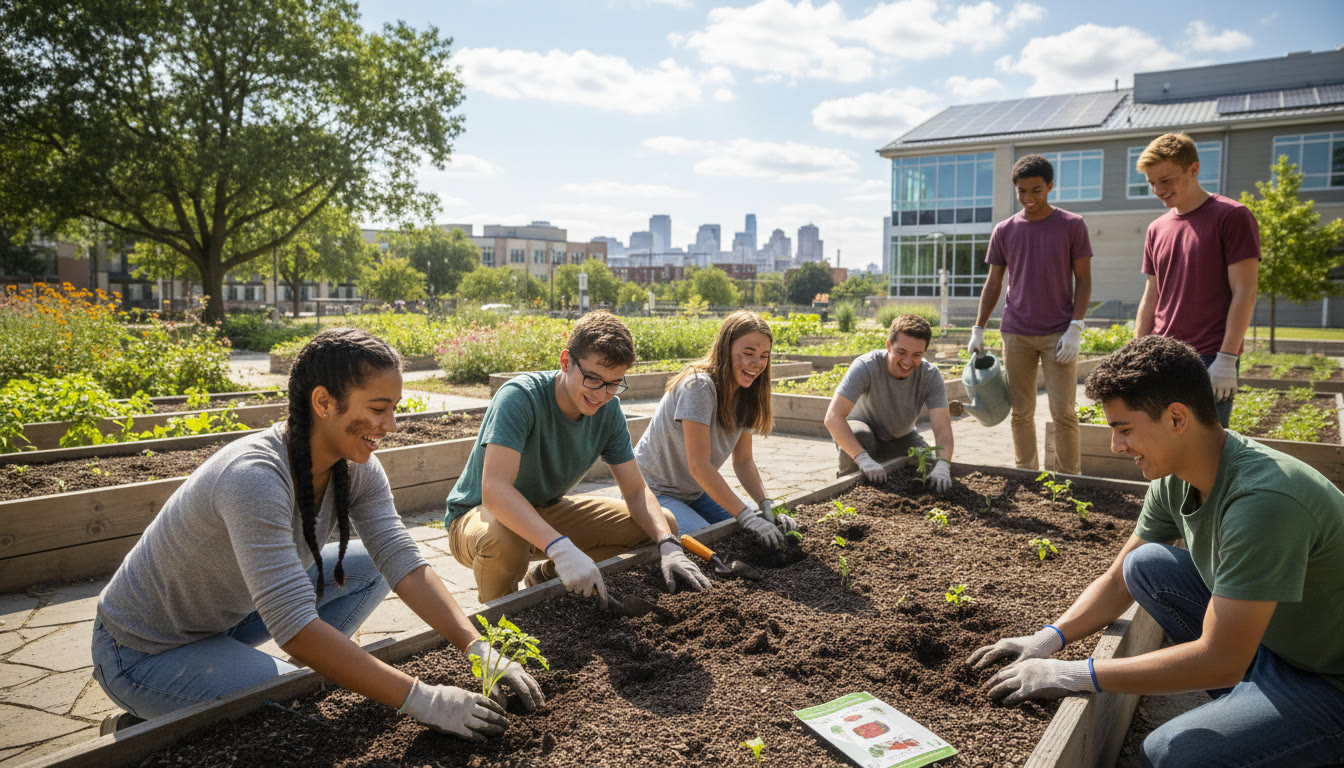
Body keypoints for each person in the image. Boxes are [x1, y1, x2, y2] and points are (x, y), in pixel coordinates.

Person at [92, 328, 542, 740]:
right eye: (378, 409)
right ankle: (145, 721)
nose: (391, 426)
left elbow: (402, 557)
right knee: (298, 704)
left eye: (395, 409)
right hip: (145, 649)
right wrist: (424, 699)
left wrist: (476, 645)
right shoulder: (253, 476)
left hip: (227, 614)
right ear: (324, 402)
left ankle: (245, 676)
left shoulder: (356, 468)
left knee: (371, 566)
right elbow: (293, 627)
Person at [968, 335, 1344, 767]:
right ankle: (1253, 711)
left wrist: (1074, 675)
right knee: (1145, 565)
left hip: (1329, 680)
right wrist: (1046, 640)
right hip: (1273, 647)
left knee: (1170, 754)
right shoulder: (1176, 475)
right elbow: (1117, 578)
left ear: (1177, 418)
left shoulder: (1263, 502)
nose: (1116, 447)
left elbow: (1221, 659)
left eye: (1124, 429)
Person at [445, 311, 709, 604]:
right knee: (507, 542)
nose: (602, 394)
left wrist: (668, 544)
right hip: (477, 517)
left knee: (662, 523)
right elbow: (494, 491)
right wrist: (561, 548)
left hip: (545, 509)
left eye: (614, 383)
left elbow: (635, 490)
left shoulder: (609, 412)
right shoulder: (520, 397)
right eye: (593, 379)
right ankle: (502, 626)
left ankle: (545, 580)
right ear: (565, 362)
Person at [970, 154, 1093, 475]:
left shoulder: (1072, 225)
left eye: (1036, 190)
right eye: (1022, 191)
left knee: (1063, 411)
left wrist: (1076, 326)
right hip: (1017, 332)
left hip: (1059, 334)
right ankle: (1027, 473)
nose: (1028, 198)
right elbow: (994, 283)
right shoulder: (1005, 230)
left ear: (1050, 186)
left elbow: (1084, 280)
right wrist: (978, 329)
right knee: (1022, 411)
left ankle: (1069, 478)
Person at [634, 310, 798, 542]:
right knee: (714, 541)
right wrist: (746, 516)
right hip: (653, 491)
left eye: (764, 355)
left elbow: (743, 461)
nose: (757, 363)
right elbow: (699, 467)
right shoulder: (698, 387)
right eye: (748, 353)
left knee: (755, 527)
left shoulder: (746, 394)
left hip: (695, 492)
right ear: (725, 348)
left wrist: (765, 504)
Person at [1135, 132, 1260, 428]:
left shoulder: (1232, 216)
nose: (1158, 190)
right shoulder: (1156, 228)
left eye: (1166, 180)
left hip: (1209, 359)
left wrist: (1227, 358)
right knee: (1164, 448)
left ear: (1193, 170)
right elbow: (1151, 296)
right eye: (1152, 182)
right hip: (1161, 354)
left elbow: (1245, 290)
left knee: (1206, 456)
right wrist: (1138, 350)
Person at [824, 313, 955, 489]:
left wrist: (943, 464)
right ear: (888, 345)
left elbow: (943, 430)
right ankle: (848, 486)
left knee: (932, 471)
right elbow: (833, 417)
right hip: (863, 437)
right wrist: (863, 459)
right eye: (901, 352)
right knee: (860, 436)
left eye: (917, 354)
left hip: (903, 438)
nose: (908, 361)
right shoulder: (866, 366)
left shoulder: (930, 375)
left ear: (925, 352)